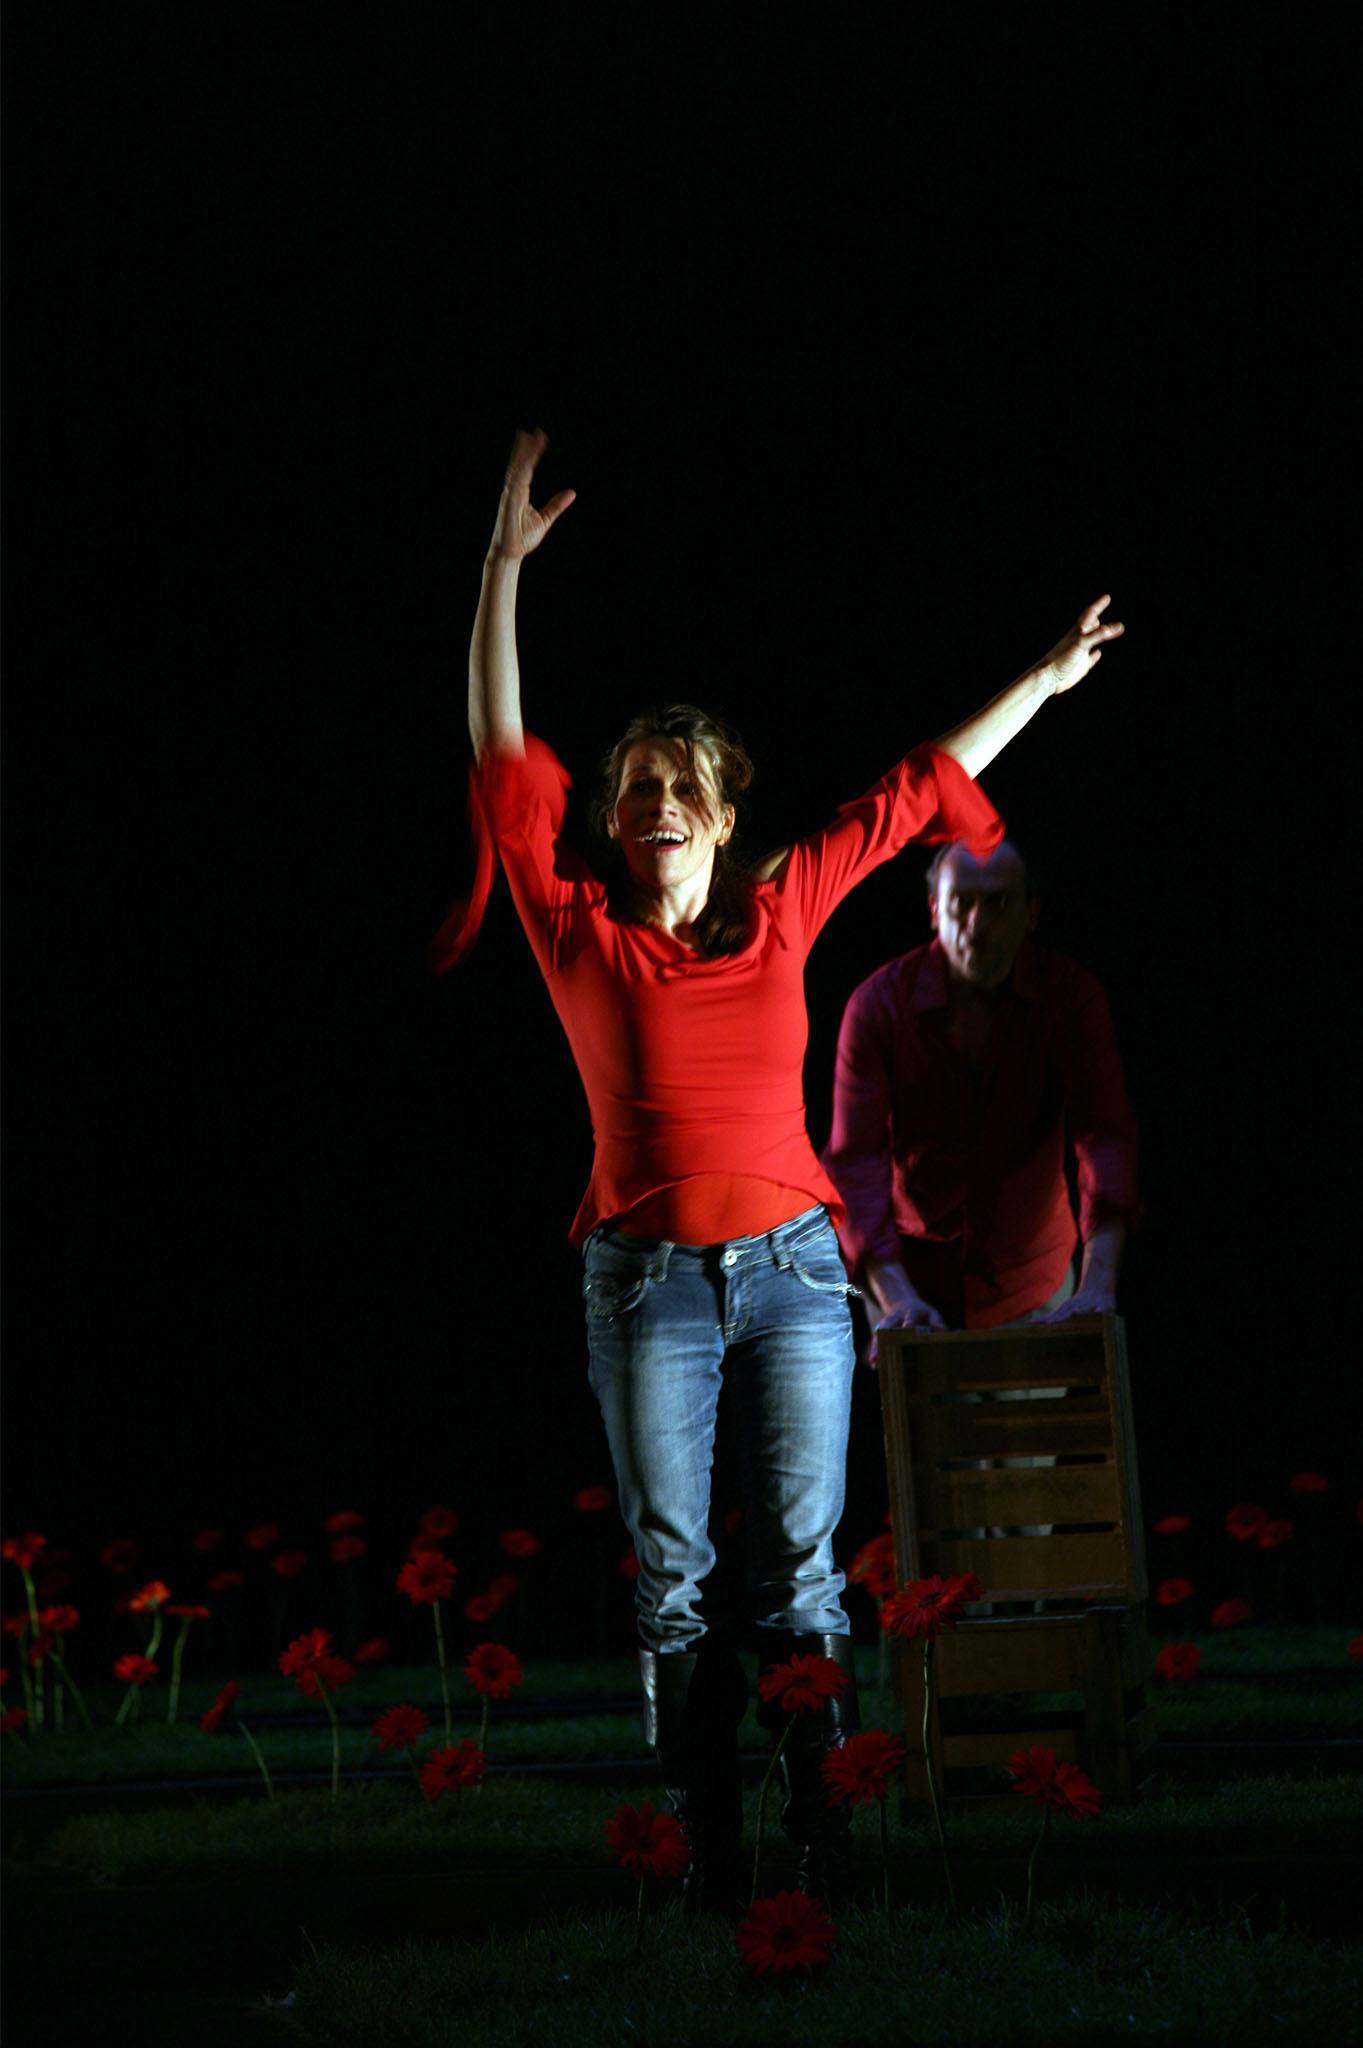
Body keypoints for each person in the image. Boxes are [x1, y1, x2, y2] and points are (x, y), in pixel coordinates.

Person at [434, 427, 1124, 1908]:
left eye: (681, 783)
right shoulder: (577, 934)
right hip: (645, 1287)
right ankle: (701, 1841)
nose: (657, 802)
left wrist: (1042, 680)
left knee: (801, 1573)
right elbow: (499, 749)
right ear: (613, 821)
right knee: (674, 1572)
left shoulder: (784, 904)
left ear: (723, 814)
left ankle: (819, 1831)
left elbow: (915, 786)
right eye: (636, 787)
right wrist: (500, 567)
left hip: (797, 1280)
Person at [821, 837, 1140, 1346]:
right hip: (912, 1287)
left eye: (998, 903)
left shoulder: (1071, 998)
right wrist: (894, 1295)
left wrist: (1097, 1285)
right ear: (934, 911)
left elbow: (1104, 1138)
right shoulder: (878, 1006)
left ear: (1031, 913)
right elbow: (855, 1161)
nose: (977, 923)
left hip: (1034, 1286)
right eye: (961, 903)